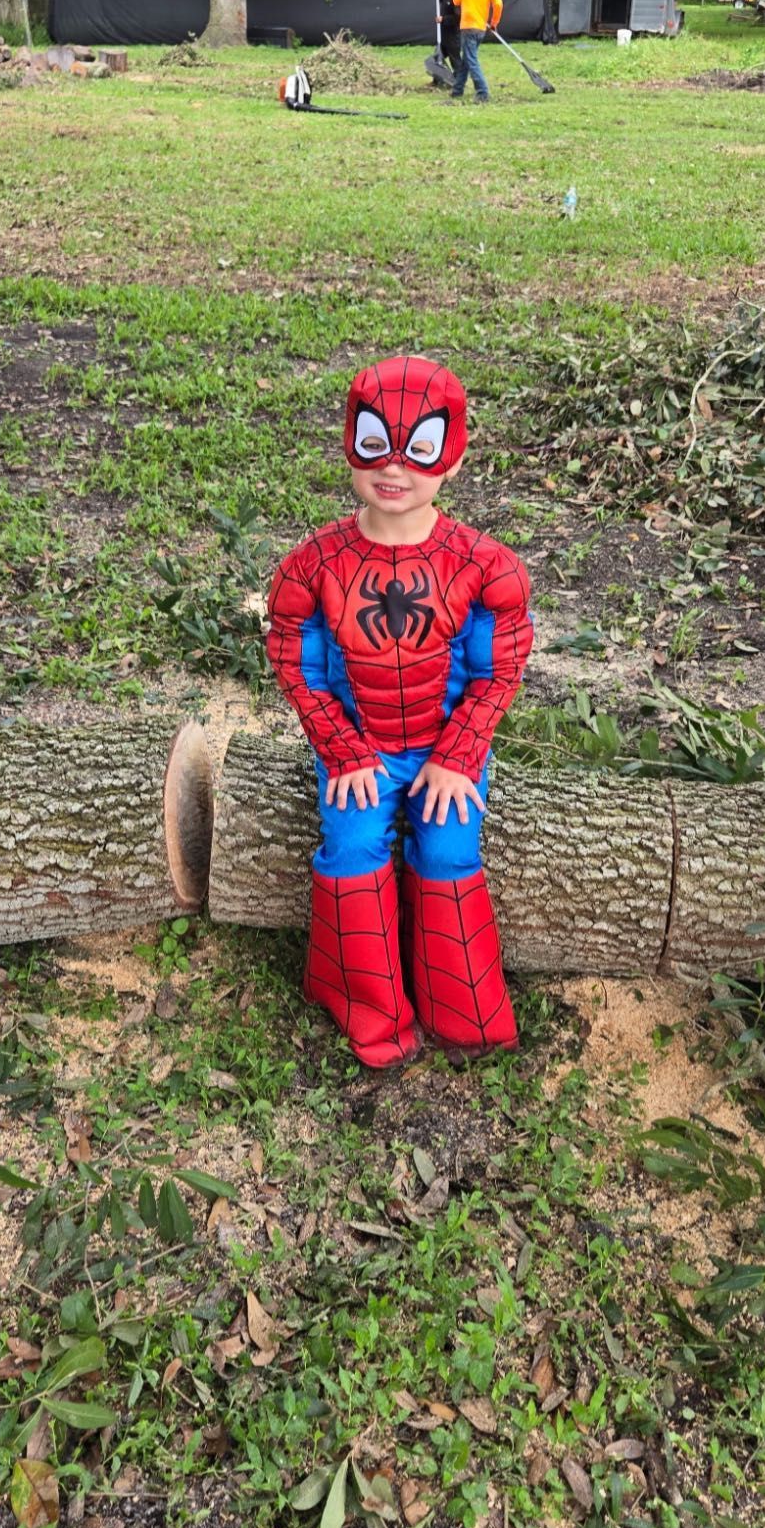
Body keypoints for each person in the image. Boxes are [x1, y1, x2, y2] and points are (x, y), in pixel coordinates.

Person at [267, 356, 532, 1068]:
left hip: (448, 748)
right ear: (350, 440)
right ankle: (369, 1012)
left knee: (447, 848)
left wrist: (457, 757)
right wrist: (342, 750)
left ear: (453, 454)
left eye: (419, 450)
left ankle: (465, 1013)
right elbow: (300, 663)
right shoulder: (312, 565)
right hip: (360, 747)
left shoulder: (485, 565)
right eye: (373, 442)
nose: (394, 469)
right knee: (351, 847)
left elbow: (496, 670)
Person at [449, 0, 503, 104]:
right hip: (481, 28)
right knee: (467, 59)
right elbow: (498, 4)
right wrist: (494, 23)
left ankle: (482, 92)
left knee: (471, 60)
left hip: (468, 26)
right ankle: (457, 90)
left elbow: (456, 0)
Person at [438, 0, 461, 73]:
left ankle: (458, 82)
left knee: (455, 61)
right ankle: (438, 80)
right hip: (444, 35)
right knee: (437, 57)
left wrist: (443, 19)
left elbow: (458, 18)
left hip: (453, 35)